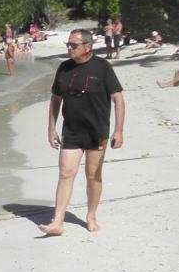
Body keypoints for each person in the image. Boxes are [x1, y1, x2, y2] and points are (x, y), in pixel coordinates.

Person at [39, 29, 126, 236]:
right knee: (66, 173)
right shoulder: (64, 68)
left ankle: (91, 215)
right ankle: (57, 221)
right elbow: (55, 100)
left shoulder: (102, 67)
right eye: (68, 45)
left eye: (73, 45)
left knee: (93, 176)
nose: (69, 48)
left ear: (87, 47)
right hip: (71, 131)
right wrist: (51, 129)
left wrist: (119, 130)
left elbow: (118, 99)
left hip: (97, 131)